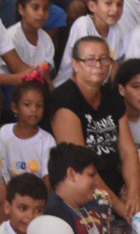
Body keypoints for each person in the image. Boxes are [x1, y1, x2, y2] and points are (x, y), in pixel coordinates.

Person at [50, 36, 130, 202]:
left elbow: (128, 151)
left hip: (114, 176)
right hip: (83, 183)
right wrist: (120, 207)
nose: (99, 65)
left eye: (104, 59)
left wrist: (134, 195)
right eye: (90, 60)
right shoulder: (64, 100)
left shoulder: (112, 96)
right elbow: (81, 164)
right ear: (75, 64)